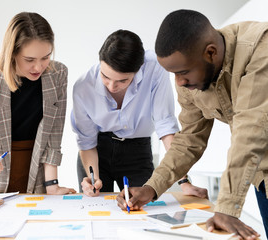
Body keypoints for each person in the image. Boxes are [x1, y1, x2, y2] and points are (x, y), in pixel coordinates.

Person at [117, 9, 268, 240]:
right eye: (173, 74)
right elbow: (188, 140)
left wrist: (227, 207)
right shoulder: (189, 80)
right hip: (263, 178)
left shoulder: (260, 47)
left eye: (183, 72)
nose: (179, 82)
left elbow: (251, 131)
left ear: (210, 52)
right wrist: (151, 188)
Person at [71, 29, 208, 198]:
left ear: (137, 71)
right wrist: (94, 179)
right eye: (105, 76)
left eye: (122, 80)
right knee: (95, 207)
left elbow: (165, 125)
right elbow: (86, 142)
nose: (112, 86)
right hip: (97, 149)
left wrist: (183, 182)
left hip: (137, 151)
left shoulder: (154, 69)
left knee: (143, 209)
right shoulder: (83, 87)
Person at [0, 12, 76, 195]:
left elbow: (54, 136)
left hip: (36, 173)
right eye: (30, 60)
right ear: (13, 52)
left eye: (46, 57)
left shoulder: (58, 75)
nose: (39, 67)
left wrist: (52, 185)